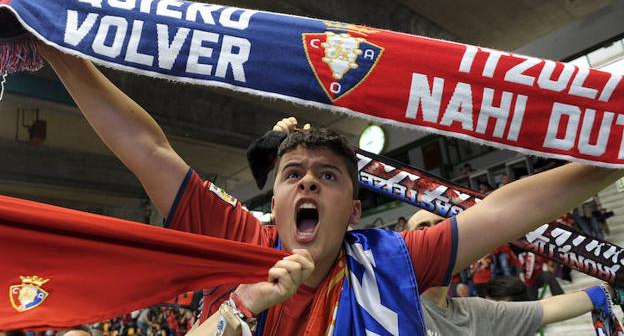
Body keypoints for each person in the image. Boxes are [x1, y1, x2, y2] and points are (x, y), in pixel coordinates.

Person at [37, 44, 624, 335]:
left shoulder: (392, 261)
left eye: (328, 175)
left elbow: (504, 210)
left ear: (353, 208)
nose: (309, 180)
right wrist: (54, 49)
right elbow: (148, 150)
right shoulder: (239, 241)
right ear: (277, 203)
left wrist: (614, 154)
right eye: (293, 175)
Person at [408, 209, 615, 336]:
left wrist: (609, 292)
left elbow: (545, 309)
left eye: (440, 226)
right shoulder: (393, 307)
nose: (434, 234)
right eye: (422, 228)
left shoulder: (475, 311)